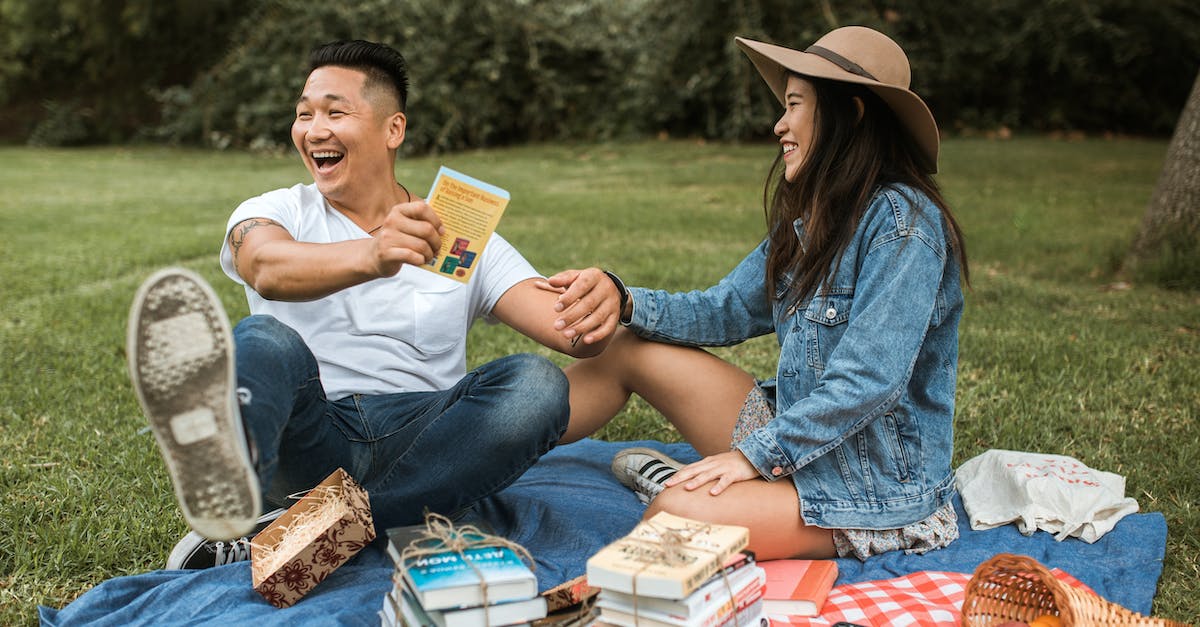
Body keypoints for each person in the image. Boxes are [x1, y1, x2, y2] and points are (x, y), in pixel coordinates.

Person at [126, 40, 613, 569]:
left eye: (336, 112)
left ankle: (302, 534)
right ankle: (234, 470)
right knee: (265, 340)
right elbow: (265, 267)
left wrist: (607, 298)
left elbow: (572, 332)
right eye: (304, 114)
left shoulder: (459, 233)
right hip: (309, 435)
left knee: (538, 386)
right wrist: (373, 253)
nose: (314, 130)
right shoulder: (276, 209)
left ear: (392, 130)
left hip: (424, 440)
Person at [545, 26, 969, 561]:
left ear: (852, 115)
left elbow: (869, 381)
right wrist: (625, 300)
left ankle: (681, 497)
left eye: (794, 105)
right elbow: (724, 310)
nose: (779, 125)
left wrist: (753, 457)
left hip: (868, 487)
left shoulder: (904, 227)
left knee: (676, 518)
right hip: (798, 443)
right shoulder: (815, 218)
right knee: (627, 348)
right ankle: (484, 451)